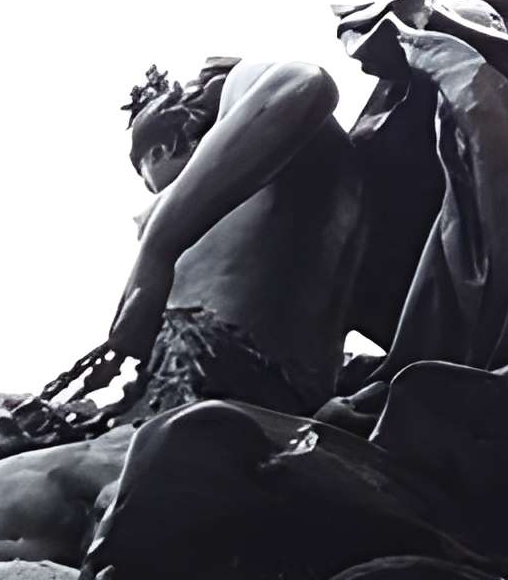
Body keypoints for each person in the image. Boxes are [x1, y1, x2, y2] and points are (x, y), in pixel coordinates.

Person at [107, 57, 372, 420]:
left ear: (158, 153)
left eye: (148, 181)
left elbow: (306, 82)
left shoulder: (245, 89)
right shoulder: (239, 197)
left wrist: (156, 250)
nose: (153, 198)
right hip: (220, 393)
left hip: (224, 391)